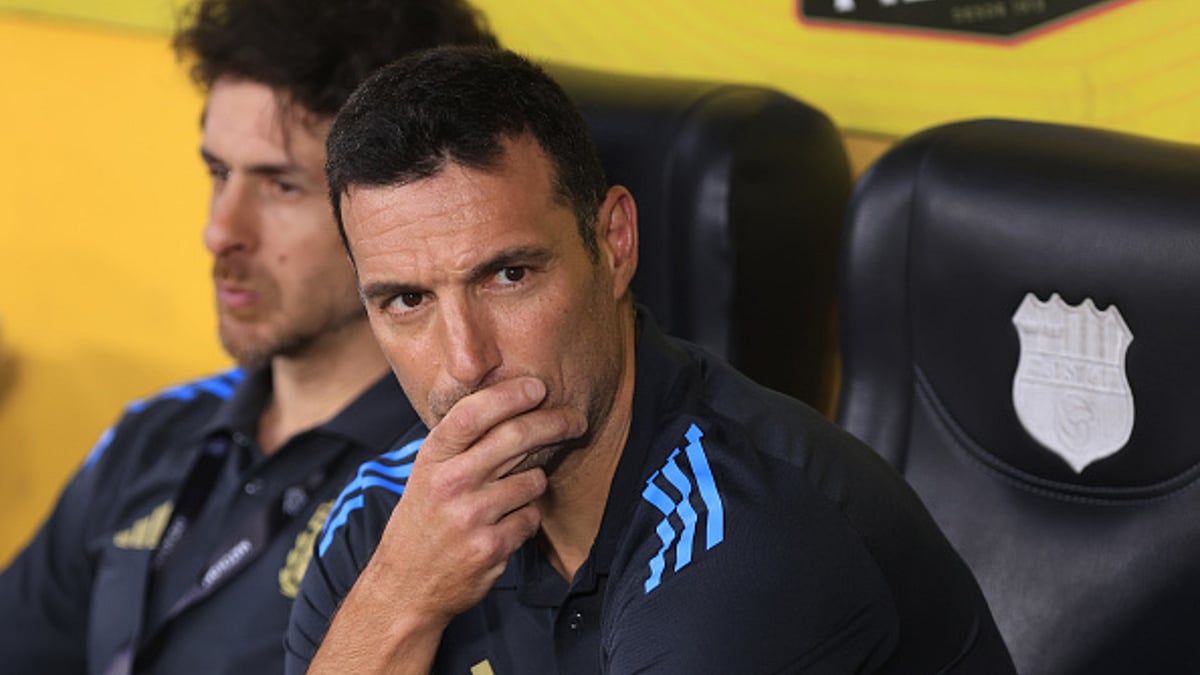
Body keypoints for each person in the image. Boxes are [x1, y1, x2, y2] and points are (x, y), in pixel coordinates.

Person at [286, 46, 1017, 674]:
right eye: (407, 301)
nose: (466, 360)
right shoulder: (384, 526)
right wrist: (399, 599)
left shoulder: (747, 539)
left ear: (614, 243)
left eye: (509, 276)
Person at [0, 2, 497, 673]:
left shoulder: (458, 490)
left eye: (281, 186)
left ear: (401, 212)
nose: (222, 230)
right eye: (218, 173)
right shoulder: (153, 436)